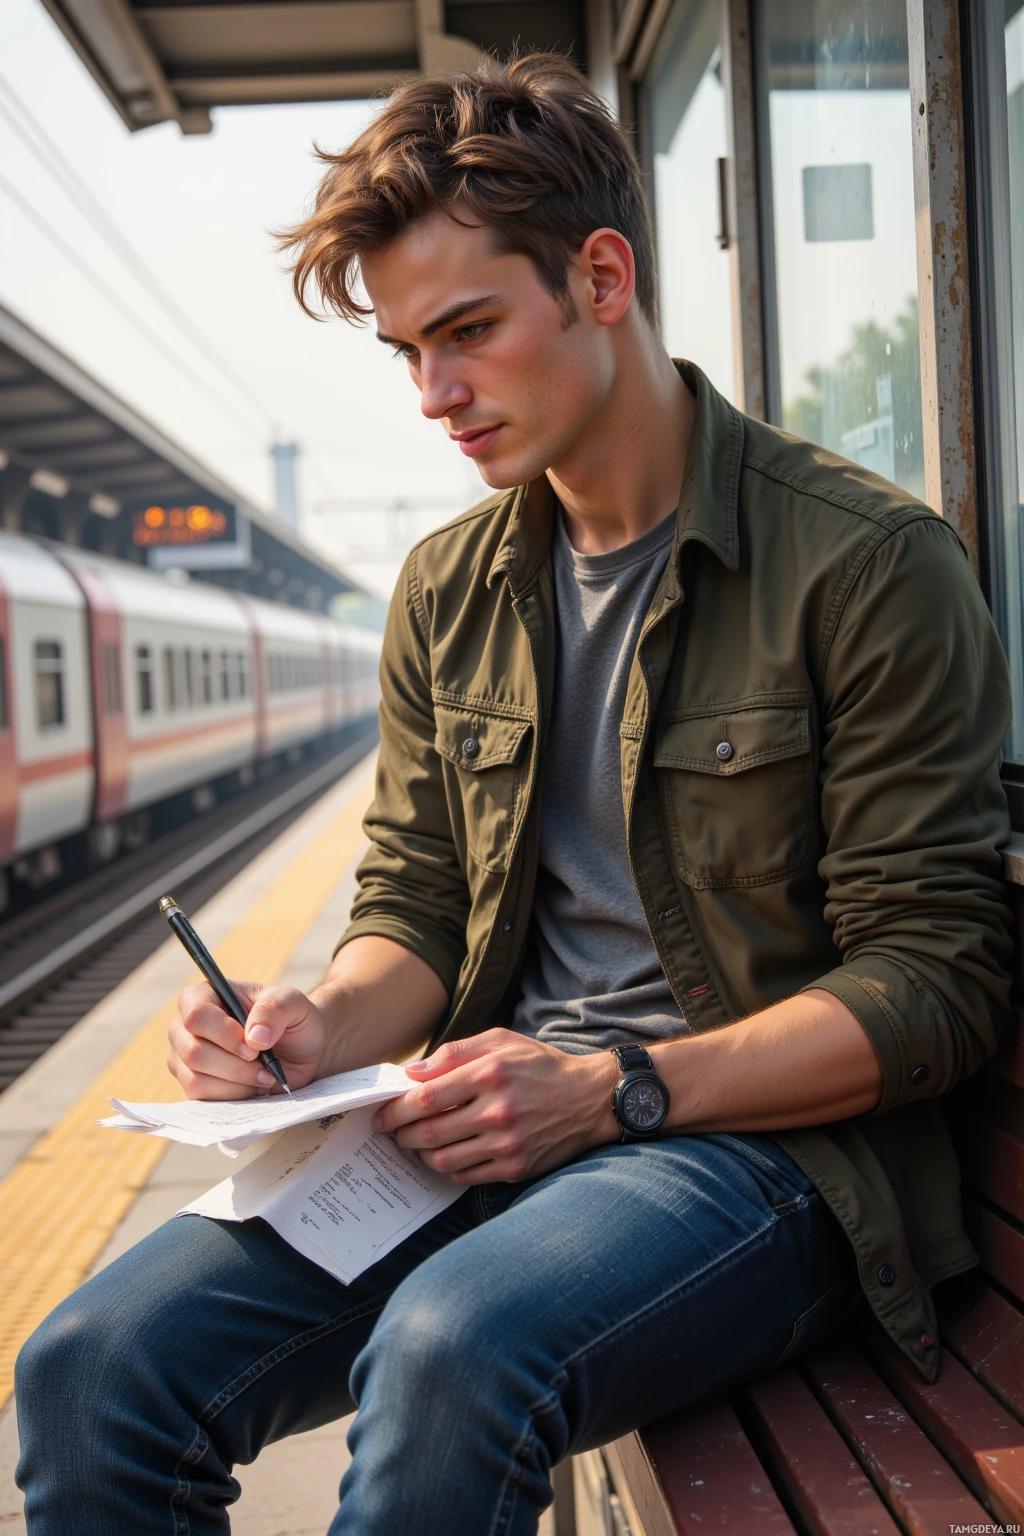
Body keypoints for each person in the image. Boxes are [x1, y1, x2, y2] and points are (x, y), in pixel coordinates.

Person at [16, 52, 1013, 1536]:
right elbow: (414, 896)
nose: (435, 395)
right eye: (410, 350)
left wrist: (610, 1092)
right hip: (487, 1126)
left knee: (451, 1352)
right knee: (89, 1371)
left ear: (601, 277)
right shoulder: (450, 589)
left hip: (761, 1160)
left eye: (468, 332)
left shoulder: (863, 567)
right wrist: (313, 1030)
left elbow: (936, 983)